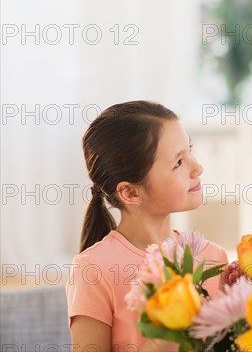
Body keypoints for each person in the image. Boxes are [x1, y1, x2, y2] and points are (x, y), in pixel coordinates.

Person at [66, 101, 229, 352]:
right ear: (130, 192)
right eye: (178, 163)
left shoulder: (214, 257)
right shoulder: (93, 270)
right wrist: (166, 338)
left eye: (190, 151)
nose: (198, 168)